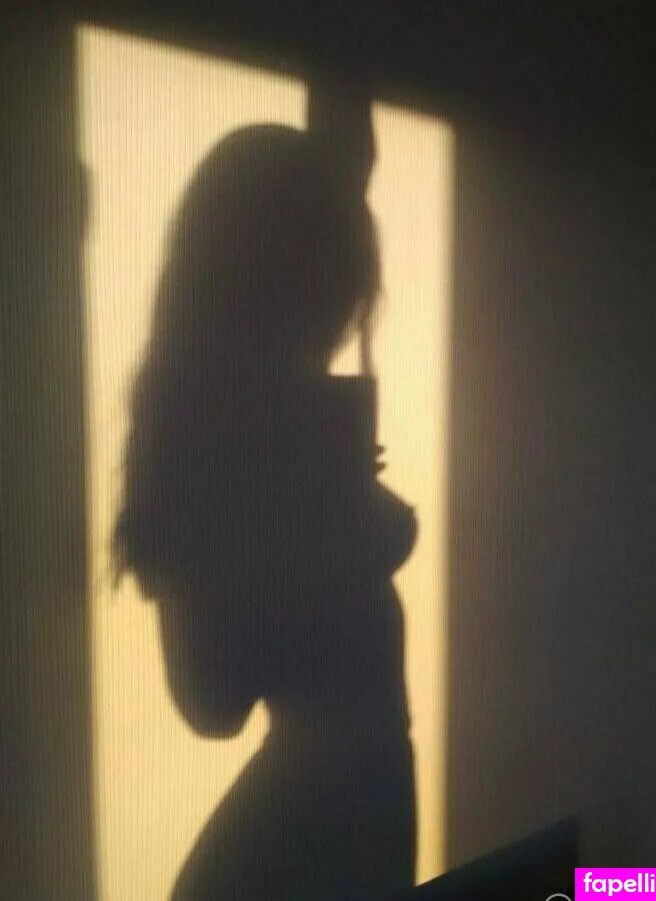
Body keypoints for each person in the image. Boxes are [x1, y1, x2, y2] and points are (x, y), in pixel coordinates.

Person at [113, 122, 417, 900]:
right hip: (299, 850)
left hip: (338, 828)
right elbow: (212, 702)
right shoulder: (206, 455)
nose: (341, 320)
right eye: (322, 290)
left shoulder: (288, 439)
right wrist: (300, 522)